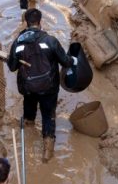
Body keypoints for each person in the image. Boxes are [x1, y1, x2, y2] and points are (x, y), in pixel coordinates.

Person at [7, 9, 71, 162]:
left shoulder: (18, 42)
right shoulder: (51, 41)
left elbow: (12, 67)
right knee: (48, 116)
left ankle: (28, 129)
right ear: (40, 22)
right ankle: (47, 150)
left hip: (28, 88)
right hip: (49, 88)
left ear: (26, 23)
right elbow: (66, 62)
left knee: (29, 109)